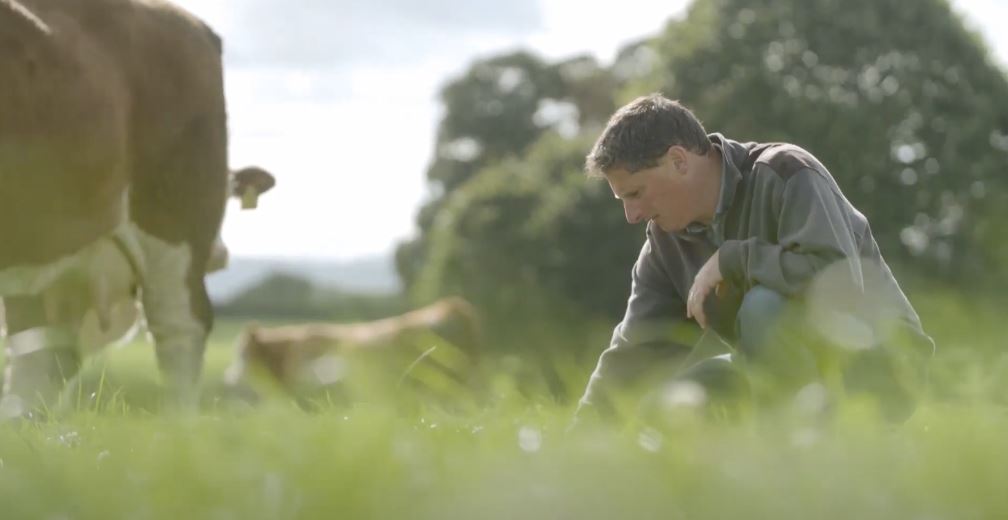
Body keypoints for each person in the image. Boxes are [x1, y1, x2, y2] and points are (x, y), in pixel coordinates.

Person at [576, 93, 935, 422]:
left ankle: (804, 457)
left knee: (763, 307)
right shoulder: (665, 240)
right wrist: (578, 438)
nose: (631, 215)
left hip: (882, 368)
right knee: (677, 401)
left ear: (678, 161)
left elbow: (836, 279)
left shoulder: (787, 171)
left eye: (636, 193)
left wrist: (733, 258)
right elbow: (636, 348)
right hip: (782, 377)